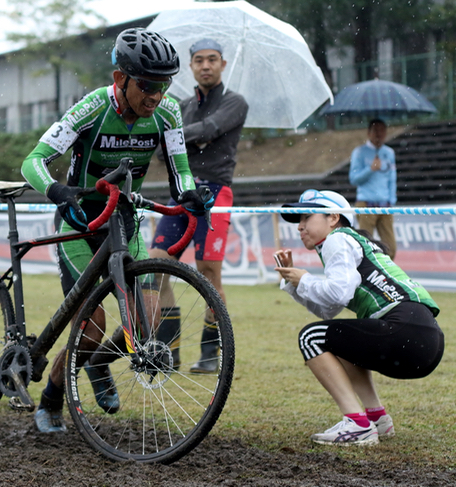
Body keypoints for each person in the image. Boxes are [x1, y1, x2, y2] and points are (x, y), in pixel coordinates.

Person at [20, 28, 214, 433]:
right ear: (119, 79)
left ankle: (96, 365)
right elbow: (33, 161)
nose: (156, 96)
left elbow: (181, 175)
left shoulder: (168, 113)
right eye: (147, 86)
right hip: (81, 223)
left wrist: (193, 196)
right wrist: (57, 190)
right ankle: (51, 399)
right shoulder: (91, 108)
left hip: (123, 222)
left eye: (163, 86)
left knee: (147, 322)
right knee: (91, 329)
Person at [274, 189, 443, 445]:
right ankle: (376, 419)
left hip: (405, 329)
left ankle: (357, 423)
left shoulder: (337, 239)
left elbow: (338, 294)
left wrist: (305, 280)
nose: (300, 226)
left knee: (311, 337)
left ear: (333, 218)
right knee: (335, 340)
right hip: (426, 338)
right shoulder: (349, 240)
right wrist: (293, 284)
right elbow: (328, 310)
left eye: (307, 216)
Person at [149, 38, 248, 374]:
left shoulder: (236, 102)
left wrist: (182, 136)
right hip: (181, 192)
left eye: (212, 60)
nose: (206, 65)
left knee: (209, 272)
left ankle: (209, 353)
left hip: (216, 193)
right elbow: (162, 151)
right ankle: (169, 351)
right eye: (199, 61)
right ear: (190, 66)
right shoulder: (181, 105)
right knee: (156, 266)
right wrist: (196, 137)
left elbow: (213, 127)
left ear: (222, 64)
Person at [349, 118, 397, 259]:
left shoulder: (389, 153)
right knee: (364, 246)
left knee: (390, 247)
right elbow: (353, 179)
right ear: (368, 133)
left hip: (385, 205)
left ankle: (386, 276)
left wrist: (392, 201)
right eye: (376, 130)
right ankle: (365, 277)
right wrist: (370, 169)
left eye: (382, 130)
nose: (379, 134)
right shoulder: (359, 152)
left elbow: (392, 178)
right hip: (366, 204)